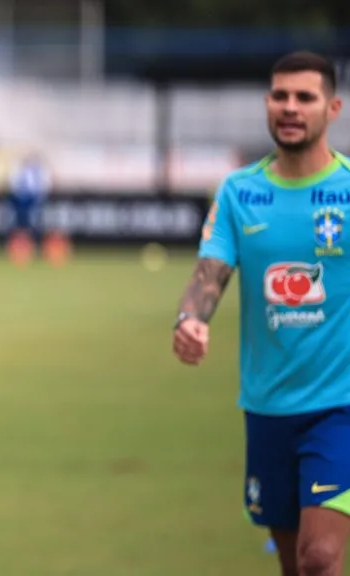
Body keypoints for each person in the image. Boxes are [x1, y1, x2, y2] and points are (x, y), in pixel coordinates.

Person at [173, 50, 350, 576]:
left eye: (304, 97)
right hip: (268, 407)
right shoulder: (239, 192)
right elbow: (210, 272)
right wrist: (189, 320)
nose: (289, 107)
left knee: (319, 557)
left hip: (339, 408)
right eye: (280, 95)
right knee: (295, 565)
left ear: (333, 108)